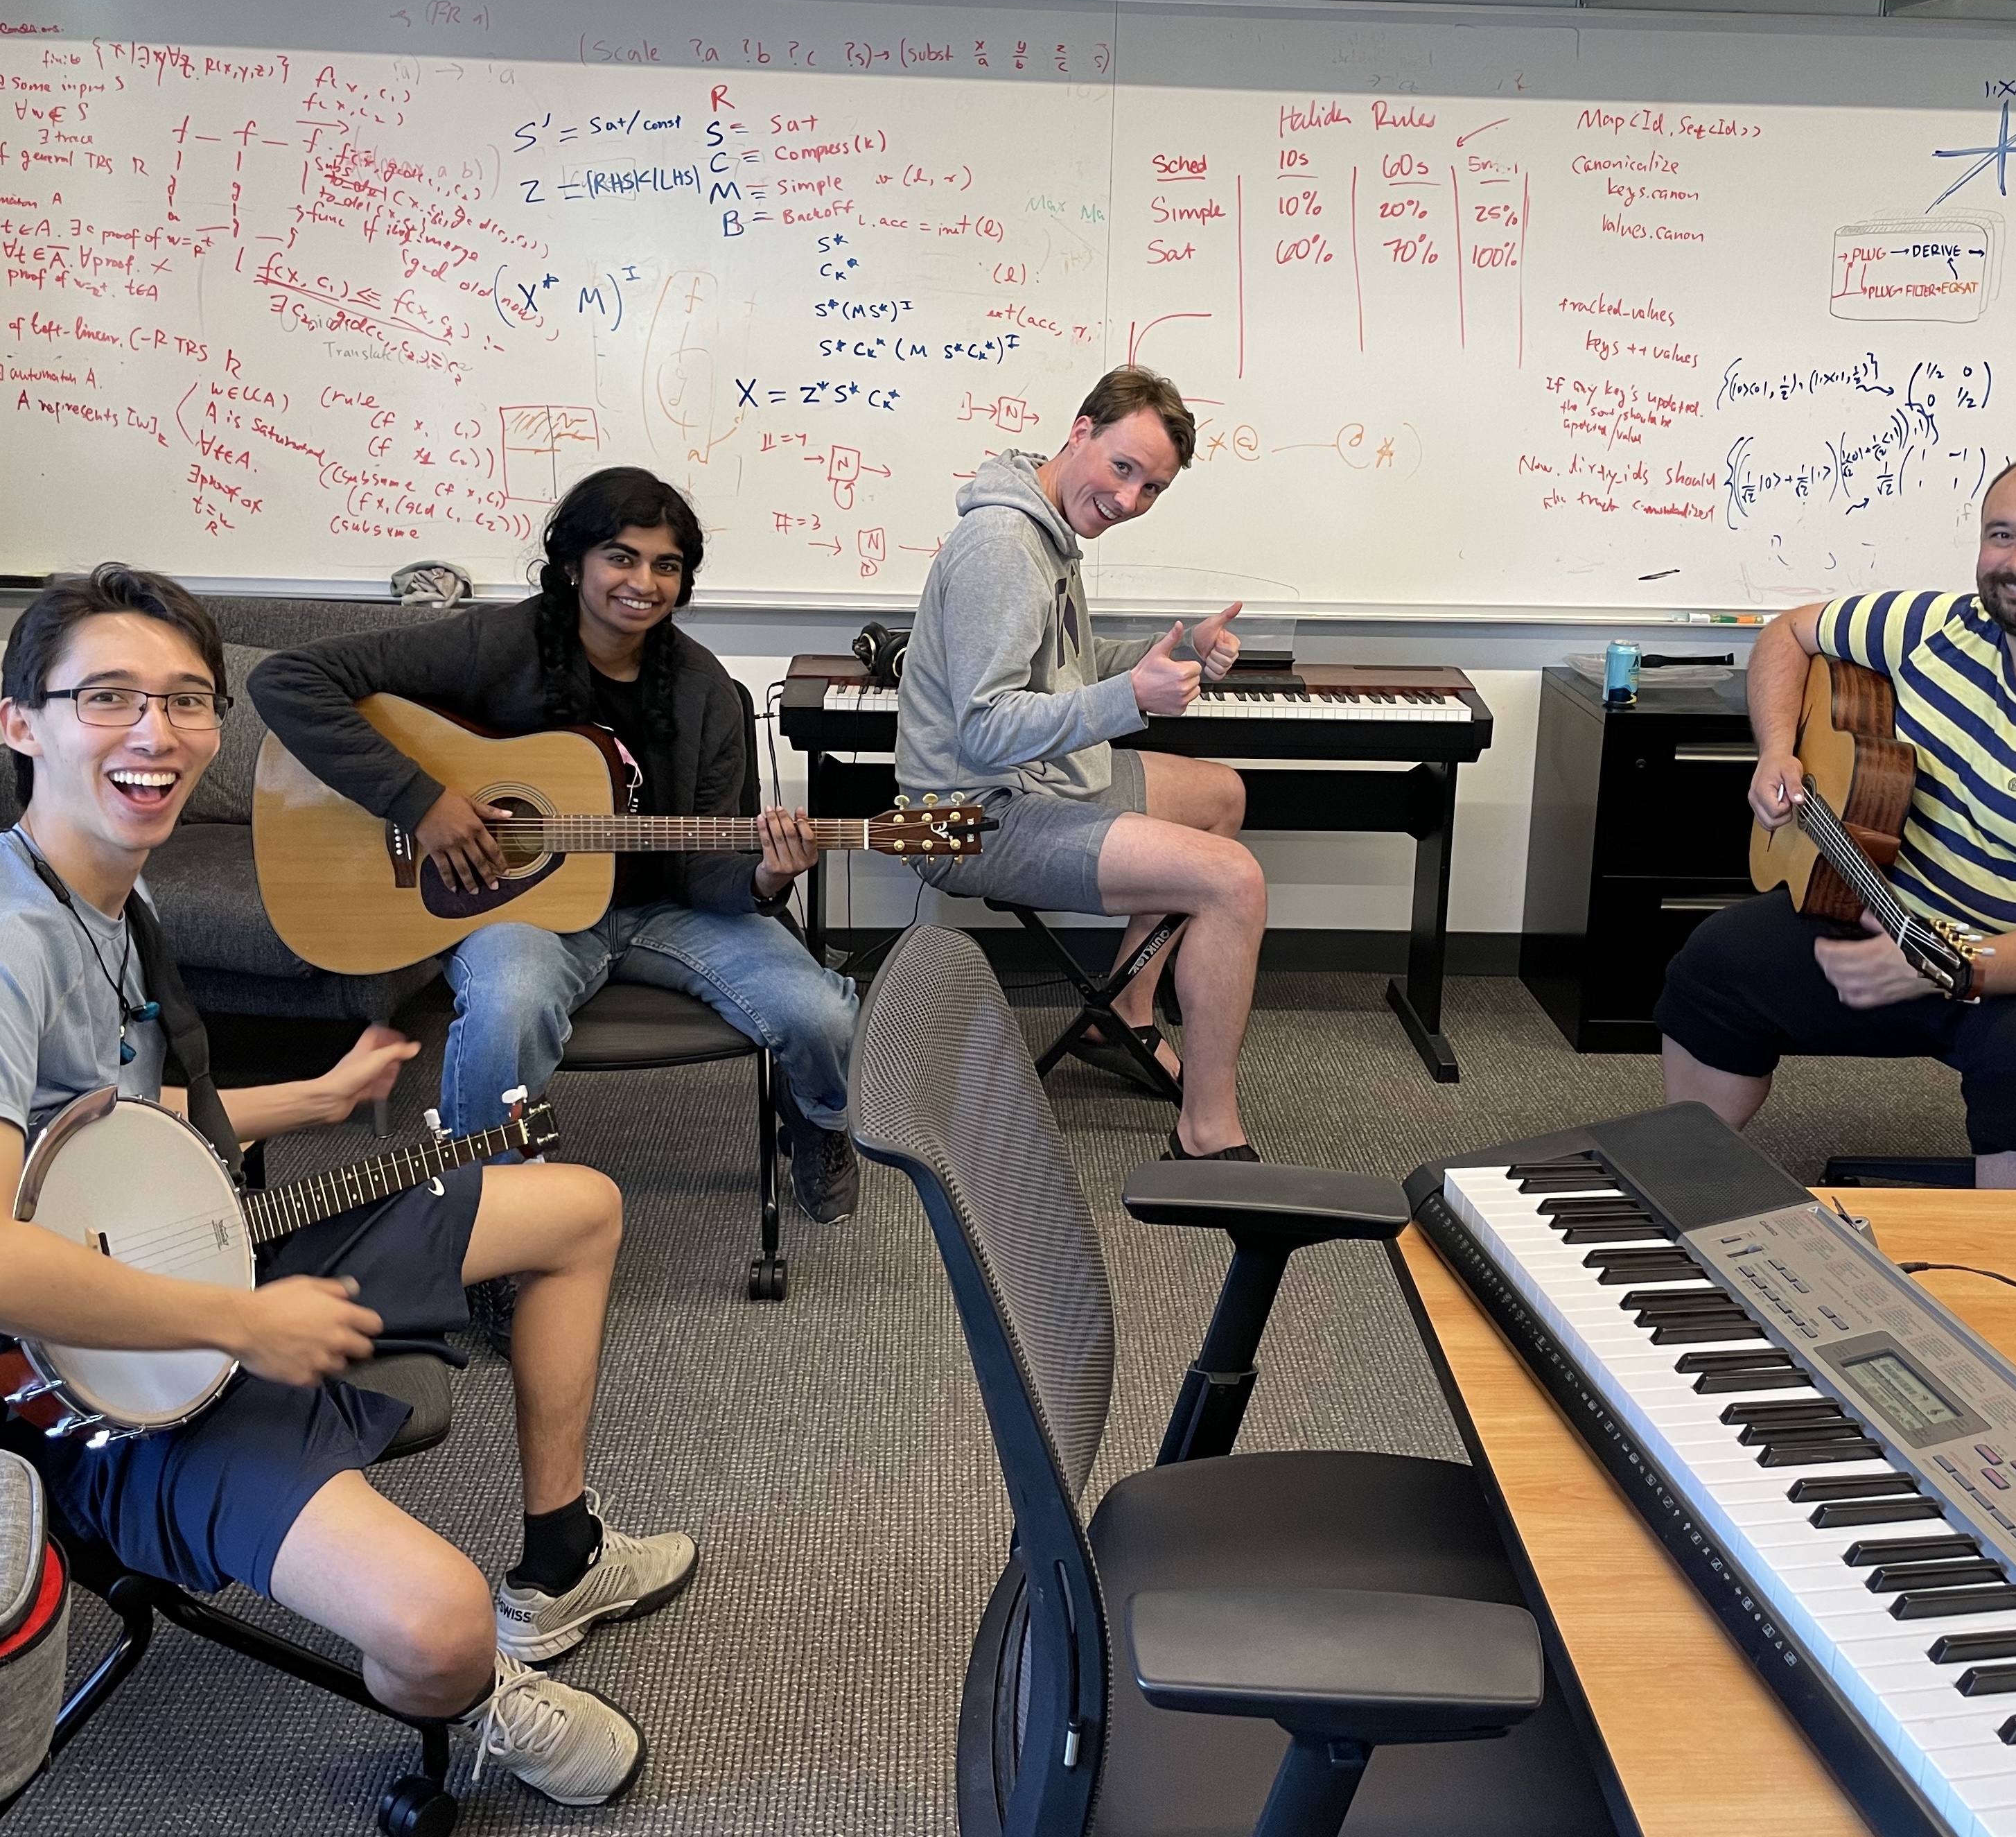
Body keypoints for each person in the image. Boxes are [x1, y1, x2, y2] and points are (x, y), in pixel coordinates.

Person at [0, 565, 690, 1807]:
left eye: (189, 699)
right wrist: (248, 1319)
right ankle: (484, 1692)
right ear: (20, 719)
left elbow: (96, 1132)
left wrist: (302, 1098)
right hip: (76, 1386)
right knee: (438, 1626)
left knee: (575, 1205)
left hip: (172, 1254)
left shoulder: (98, 886)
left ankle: (561, 1557)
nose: (159, 732)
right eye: (112, 697)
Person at [251, 468, 864, 1223]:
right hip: (527, 912)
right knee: (510, 1006)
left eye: (666, 566)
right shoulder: (493, 645)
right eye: (622, 557)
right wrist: (425, 802)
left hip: (667, 911)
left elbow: (709, 869)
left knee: (820, 1012)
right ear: (575, 563)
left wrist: (766, 876)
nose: (644, 583)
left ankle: (819, 1126)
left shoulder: (705, 689)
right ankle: (485, 1220)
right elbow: (288, 680)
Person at [1656, 450, 2016, 1190]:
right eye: (2001, 535)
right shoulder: (1937, 627)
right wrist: (1775, 751)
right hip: (1912, 919)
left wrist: (1950, 968)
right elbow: (1787, 634)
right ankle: (1682, 1174)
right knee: (1719, 963)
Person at [894, 365, 1267, 1161]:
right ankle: (1206, 1134)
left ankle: (1121, 1016)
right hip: (966, 819)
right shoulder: (1005, 546)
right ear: (1079, 432)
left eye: (1153, 488)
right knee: (1232, 880)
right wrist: (1133, 698)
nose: (1129, 501)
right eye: (1122, 469)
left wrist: (1176, 650)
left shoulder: (1046, 530)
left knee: (1219, 796)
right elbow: (987, 731)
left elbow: (1069, 663)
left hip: (1030, 785)